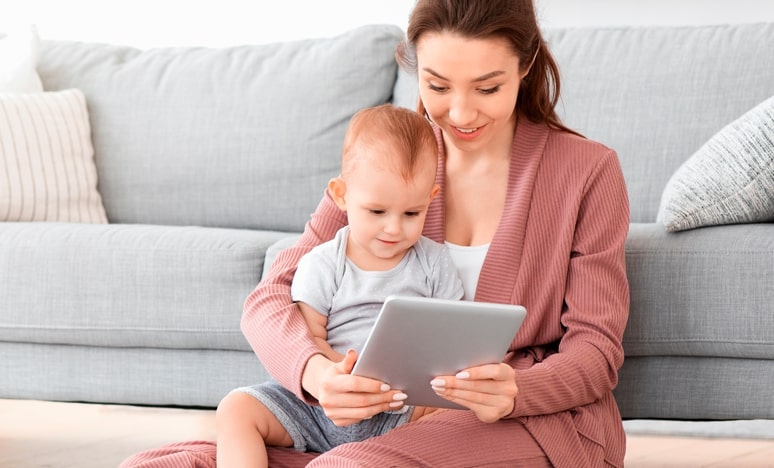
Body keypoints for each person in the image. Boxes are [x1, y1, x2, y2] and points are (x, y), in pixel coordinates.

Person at [121, 0, 630, 465]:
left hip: (529, 423)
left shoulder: (587, 171)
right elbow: (270, 296)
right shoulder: (392, 158)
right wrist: (316, 374)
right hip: (369, 421)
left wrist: (518, 389)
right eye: (436, 86)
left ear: (525, 65)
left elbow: (597, 351)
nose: (460, 113)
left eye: (487, 87)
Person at [215, 104, 464, 467]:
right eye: (377, 212)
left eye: (412, 213)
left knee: (456, 412)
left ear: (431, 197)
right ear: (341, 195)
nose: (394, 228)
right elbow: (309, 336)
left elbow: (449, 339)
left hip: (401, 409)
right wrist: (335, 375)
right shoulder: (324, 261)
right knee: (236, 408)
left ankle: (372, 457)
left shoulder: (434, 263)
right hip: (319, 408)